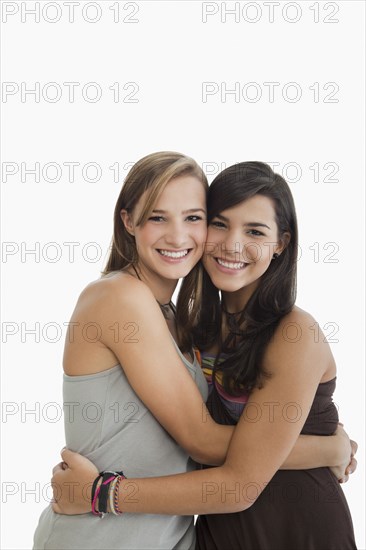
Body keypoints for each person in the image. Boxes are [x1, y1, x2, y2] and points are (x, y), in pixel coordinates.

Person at [50, 161, 357, 550]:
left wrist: (102, 493)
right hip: (208, 536)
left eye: (255, 231)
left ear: (280, 243)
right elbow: (202, 441)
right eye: (220, 223)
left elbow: (238, 474)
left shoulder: (293, 332)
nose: (231, 244)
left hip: (297, 532)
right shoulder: (186, 324)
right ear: (128, 221)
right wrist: (329, 448)